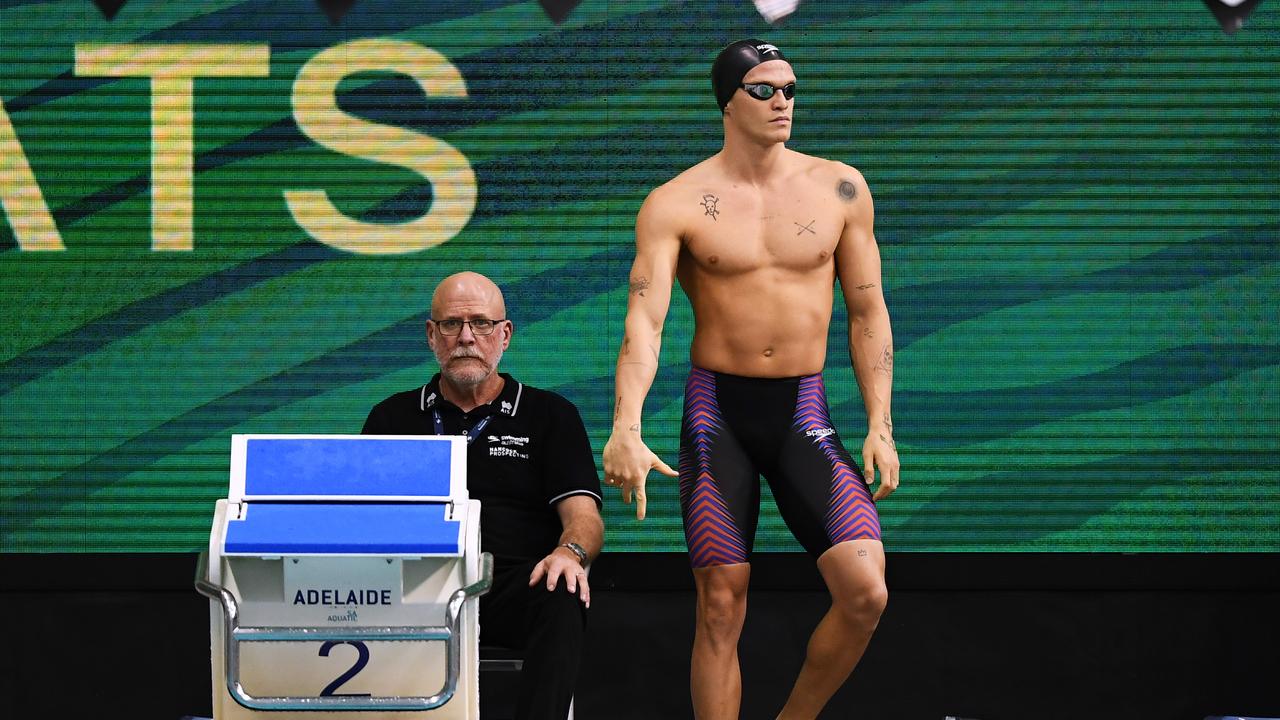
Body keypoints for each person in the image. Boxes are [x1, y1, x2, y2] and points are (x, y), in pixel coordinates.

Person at [602, 39, 900, 719]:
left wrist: (880, 424)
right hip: (720, 415)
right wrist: (625, 426)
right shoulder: (675, 201)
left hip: (802, 409)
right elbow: (644, 324)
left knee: (866, 592)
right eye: (764, 90)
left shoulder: (840, 187)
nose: (782, 102)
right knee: (720, 604)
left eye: (790, 89)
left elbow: (868, 311)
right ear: (728, 101)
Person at [362, 271, 603, 720]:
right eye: (452, 324)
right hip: (412, 589)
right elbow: (360, 519)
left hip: (511, 583)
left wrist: (569, 553)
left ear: (505, 334)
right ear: (432, 335)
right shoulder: (391, 416)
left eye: (482, 324)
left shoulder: (550, 414)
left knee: (563, 591)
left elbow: (584, 517)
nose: (467, 337)